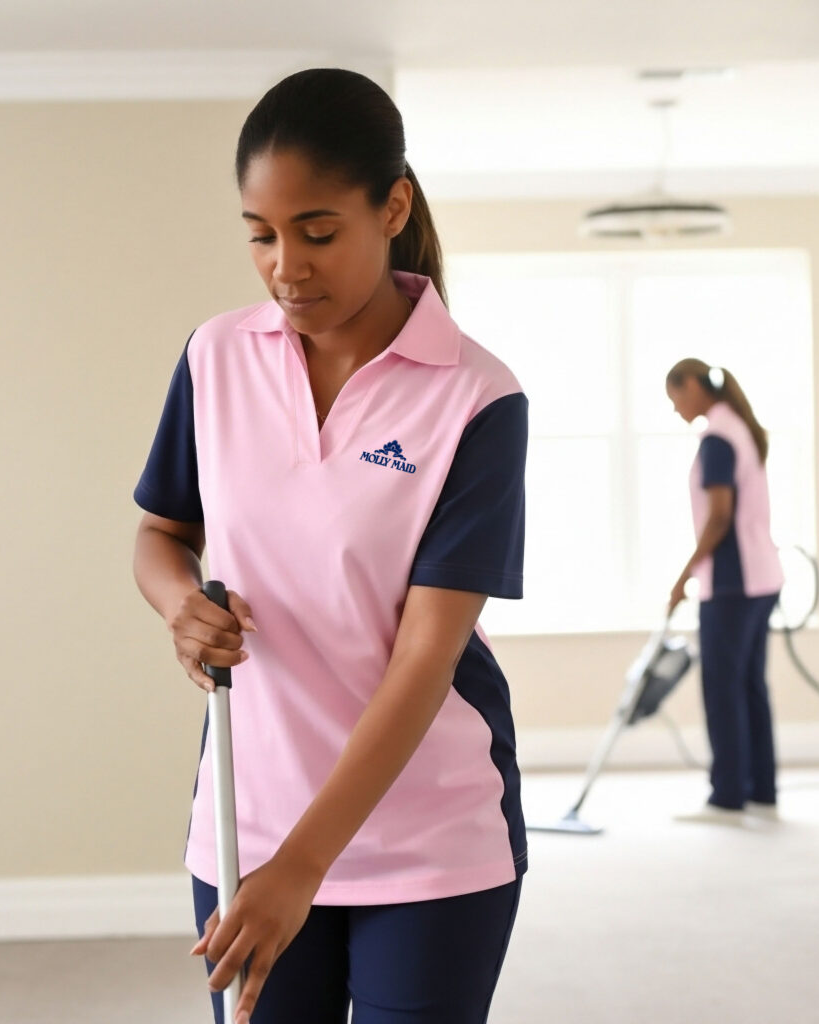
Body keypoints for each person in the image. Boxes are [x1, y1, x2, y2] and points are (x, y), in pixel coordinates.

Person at [132, 68, 528, 1024]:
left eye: (317, 233)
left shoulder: (476, 397)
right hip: (246, 818)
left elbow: (427, 657)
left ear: (392, 207)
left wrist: (300, 868)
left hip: (431, 837)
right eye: (260, 236)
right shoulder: (213, 358)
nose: (285, 267)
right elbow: (160, 534)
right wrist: (179, 606)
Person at [664, 359, 784, 823]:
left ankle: (728, 797)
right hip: (762, 577)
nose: (675, 409)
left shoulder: (716, 438)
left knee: (723, 687)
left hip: (733, 583)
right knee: (750, 686)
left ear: (692, 385)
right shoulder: (740, 429)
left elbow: (719, 517)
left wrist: (683, 577)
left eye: (674, 397)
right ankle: (762, 791)